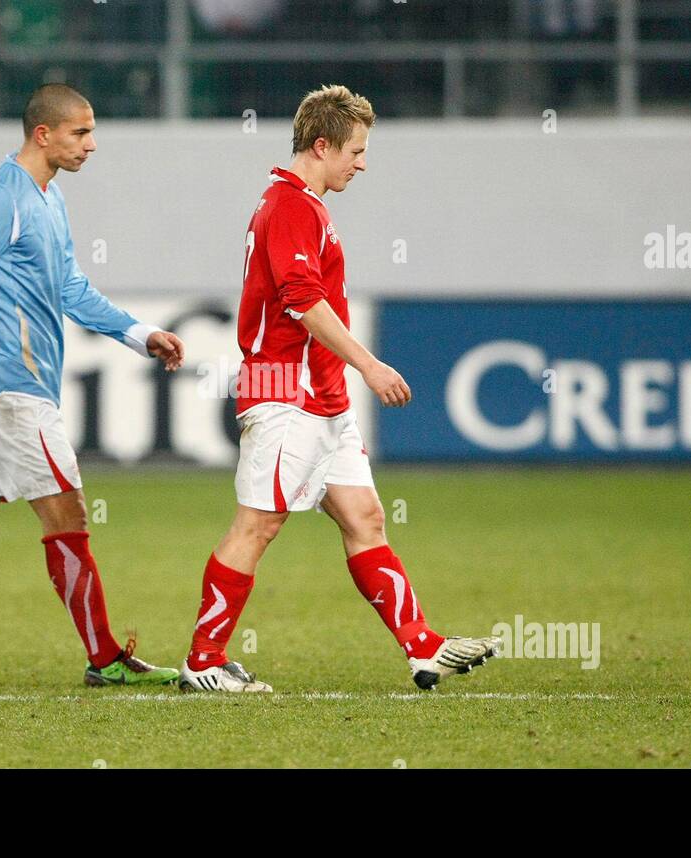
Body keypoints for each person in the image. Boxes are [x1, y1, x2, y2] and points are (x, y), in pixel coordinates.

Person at [178, 85, 502, 693]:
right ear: (321, 145)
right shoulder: (291, 206)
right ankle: (204, 661)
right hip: (286, 393)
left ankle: (422, 645)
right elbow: (303, 304)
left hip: (321, 398)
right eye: (355, 149)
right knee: (258, 525)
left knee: (365, 517)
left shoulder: (303, 206)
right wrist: (370, 365)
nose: (362, 162)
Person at [0, 83, 186, 687]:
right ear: (43, 133)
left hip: (10, 391)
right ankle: (105, 657)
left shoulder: (47, 198)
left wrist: (139, 332)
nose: (92, 144)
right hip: (10, 388)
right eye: (81, 132)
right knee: (69, 513)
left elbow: (70, 288)